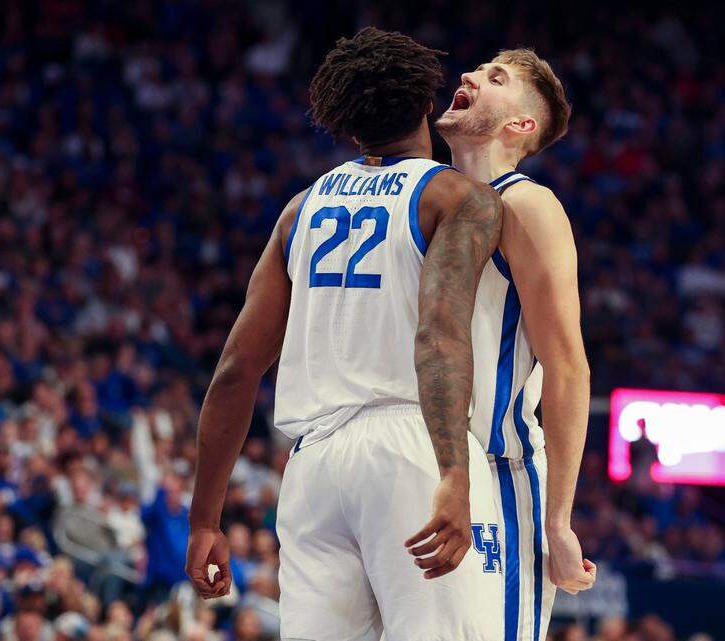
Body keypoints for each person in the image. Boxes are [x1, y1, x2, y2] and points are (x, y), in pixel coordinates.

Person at [185, 27, 505, 641]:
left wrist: (205, 519)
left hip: (313, 469)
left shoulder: (299, 210)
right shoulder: (455, 196)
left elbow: (234, 370)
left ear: (348, 127)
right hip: (409, 445)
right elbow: (438, 337)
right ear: (425, 106)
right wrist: (453, 474)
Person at [434, 48, 596, 641]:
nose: (469, 76)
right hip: (413, 468)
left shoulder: (526, 203)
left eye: (494, 78)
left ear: (520, 125)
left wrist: (558, 520)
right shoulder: (420, 197)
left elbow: (568, 367)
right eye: (477, 70)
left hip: (494, 477)